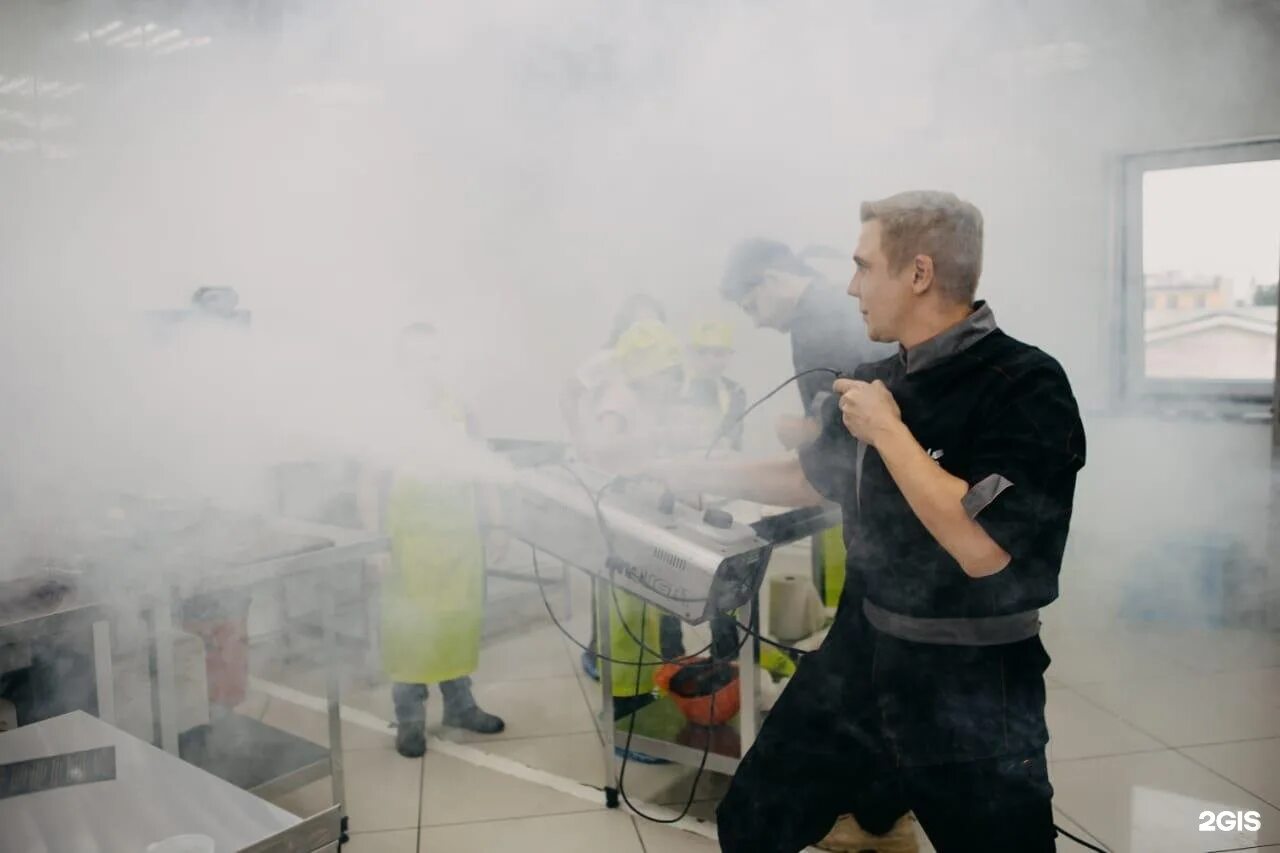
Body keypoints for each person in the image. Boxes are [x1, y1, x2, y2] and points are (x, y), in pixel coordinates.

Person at [656, 192, 1086, 852]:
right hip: (862, 648)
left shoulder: (1024, 384)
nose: (850, 287)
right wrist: (693, 472)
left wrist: (888, 430)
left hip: (971, 676)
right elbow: (807, 476)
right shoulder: (875, 377)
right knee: (751, 821)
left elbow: (983, 548)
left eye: (863, 267)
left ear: (917, 274)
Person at [720, 240, 895, 613]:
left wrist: (807, 431)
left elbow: (844, 442)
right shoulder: (828, 310)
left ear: (770, 278)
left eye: (751, 307)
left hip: (884, 509)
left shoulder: (818, 319)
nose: (758, 322)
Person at [378, 322, 505, 759]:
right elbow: (368, 481)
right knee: (410, 630)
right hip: (409, 539)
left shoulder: (460, 407)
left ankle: (460, 706)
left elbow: (481, 463)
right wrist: (375, 543)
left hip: (458, 534)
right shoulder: (386, 411)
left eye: (432, 356)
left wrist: (497, 520)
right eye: (414, 358)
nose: (424, 366)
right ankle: (410, 719)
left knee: (458, 622)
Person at [678, 320, 747, 452]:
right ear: (692, 354)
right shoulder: (676, 389)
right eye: (702, 352)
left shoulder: (735, 390)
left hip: (723, 463)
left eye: (721, 354)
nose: (712, 360)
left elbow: (734, 434)